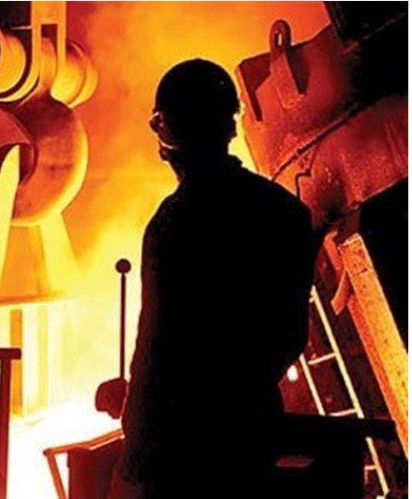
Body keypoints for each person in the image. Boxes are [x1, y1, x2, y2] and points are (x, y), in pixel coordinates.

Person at [101, 59, 318, 498]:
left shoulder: (174, 223)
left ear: (166, 139)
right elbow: (289, 335)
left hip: (176, 451)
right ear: (230, 127)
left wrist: (135, 442)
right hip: (248, 439)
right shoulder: (286, 213)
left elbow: (159, 346)